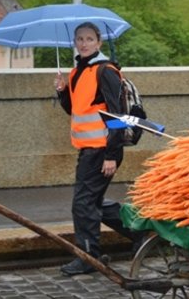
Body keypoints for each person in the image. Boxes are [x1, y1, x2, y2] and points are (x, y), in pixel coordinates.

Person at [54, 22, 142, 276]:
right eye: (79, 39)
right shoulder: (77, 72)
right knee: (92, 203)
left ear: (98, 43)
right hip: (89, 149)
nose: (83, 43)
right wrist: (61, 92)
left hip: (103, 150)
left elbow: (116, 114)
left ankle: (89, 257)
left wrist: (112, 155)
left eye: (89, 39)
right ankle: (139, 231)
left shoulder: (105, 71)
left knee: (83, 204)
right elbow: (75, 110)